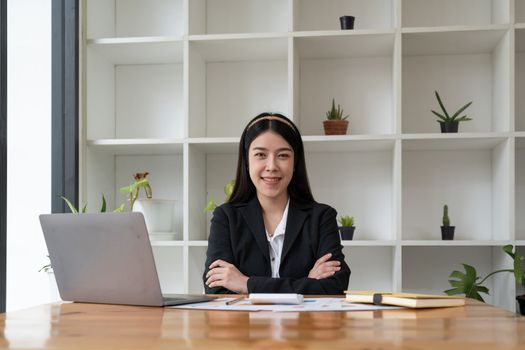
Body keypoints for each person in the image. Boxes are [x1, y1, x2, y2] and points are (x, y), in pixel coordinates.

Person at [203, 112, 350, 294]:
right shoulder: (226, 217)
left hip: (304, 323)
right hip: (242, 323)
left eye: (282, 155)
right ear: (247, 161)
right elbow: (216, 288)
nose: (271, 166)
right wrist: (307, 283)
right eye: (260, 155)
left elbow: (336, 285)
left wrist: (247, 284)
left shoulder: (321, 217)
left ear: (295, 162)